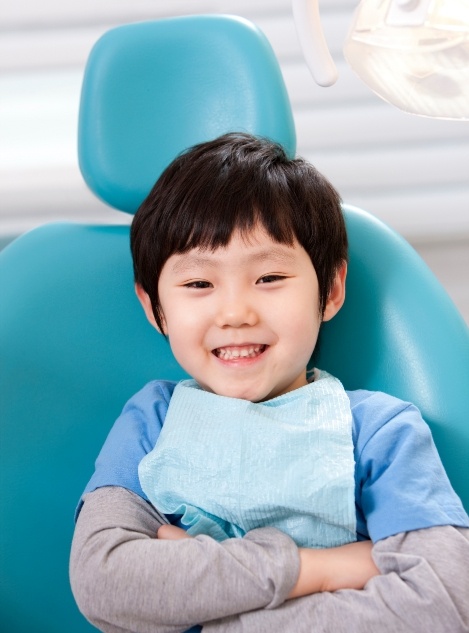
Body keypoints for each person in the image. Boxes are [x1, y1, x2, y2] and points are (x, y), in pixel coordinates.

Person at [70, 133, 469, 633]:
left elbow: (446, 601)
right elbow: (105, 581)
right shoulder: (151, 422)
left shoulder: (379, 431)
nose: (235, 312)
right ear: (155, 308)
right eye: (198, 284)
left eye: (270, 278)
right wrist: (319, 569)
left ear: (331, 290)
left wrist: (208, 599)